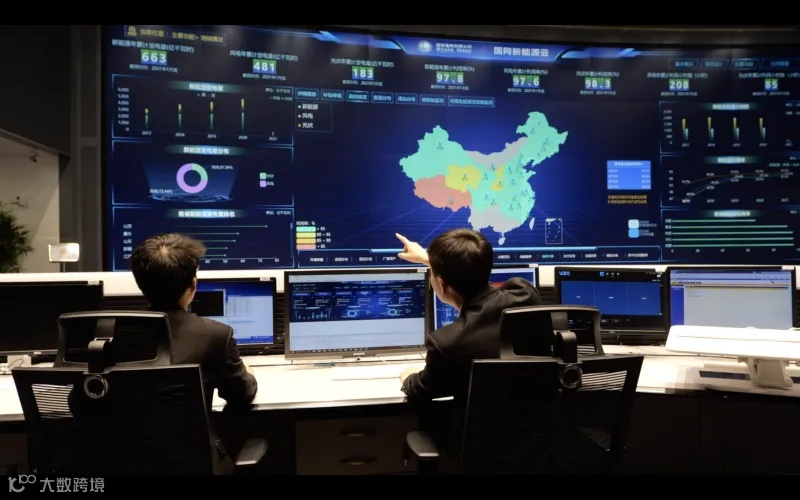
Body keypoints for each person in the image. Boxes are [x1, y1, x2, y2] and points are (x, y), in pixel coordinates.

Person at [395, 229, 543, 466]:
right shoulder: (527, 296)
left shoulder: (448, 341)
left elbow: (422, 390)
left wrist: (408, 377)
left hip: (480, 456)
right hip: (537, 450)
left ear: (441, 284)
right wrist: (430, 260)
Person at [129, 232, 258, 473]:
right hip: (197, 464)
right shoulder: (215, 335)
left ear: (140, 284)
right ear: (193, 285)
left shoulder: (111, 336)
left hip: (127, 463)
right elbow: (241, 395)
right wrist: (248, 373)